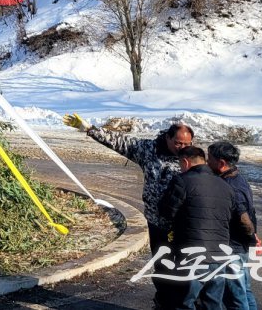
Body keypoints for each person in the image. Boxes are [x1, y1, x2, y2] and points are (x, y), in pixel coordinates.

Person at [64, 114, 192, 309]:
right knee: (162, 265)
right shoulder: (149, 150)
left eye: (187, 143)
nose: (182, 148)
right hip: (157, 221)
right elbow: (121, 142)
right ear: (167, 137)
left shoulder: (194, 157)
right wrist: (90, 129)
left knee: (185, 269)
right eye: (178, 143)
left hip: (185, 224)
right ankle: (163, 302)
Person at [159, 146, 256, 309]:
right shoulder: (225, 186)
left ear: (185, 161)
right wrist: (252, 236)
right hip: (219, 257)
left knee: (183, 302)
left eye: (180, 164)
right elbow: (241, 219)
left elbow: (166, 212)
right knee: (212, 303)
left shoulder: (182, 180)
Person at [208, 141, 259, 310]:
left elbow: (244, 220)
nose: (208, 163)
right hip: (240, 247)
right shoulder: (238, 178)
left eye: (210, 159)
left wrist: (251, 236)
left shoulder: (231, 188)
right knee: (244, 289)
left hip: (233, 248)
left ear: (221, 163)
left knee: (234, 296)